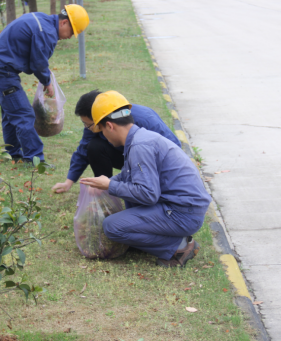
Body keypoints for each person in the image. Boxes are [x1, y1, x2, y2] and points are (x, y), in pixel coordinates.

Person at [80, 91, 212, 267]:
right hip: (182, 208)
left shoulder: (139, 146)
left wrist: (111, 185)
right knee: (128, 203)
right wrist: (106, 182)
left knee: (112, 226)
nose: (103, 136)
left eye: (102, 130)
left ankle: (178, 247)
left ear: (110, 126)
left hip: (183, 214)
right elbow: (130, 175)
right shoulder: (139, 137)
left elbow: (148, 194)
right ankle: (164, 238)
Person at [0, 5, 89, 163]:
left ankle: (13, 153)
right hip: (1, 71)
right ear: (64, 22)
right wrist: (47, 82)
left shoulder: (42, 20)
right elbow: (38, 64)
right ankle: (34, 159)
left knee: (11, 113)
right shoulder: (46, 32)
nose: (70, 36)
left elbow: (37, 58)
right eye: (72, 32)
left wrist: (45, 76)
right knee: (24, 115)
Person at [51, 90, 181, 193]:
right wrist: (68, 182)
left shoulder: (145, 119)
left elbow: (173, 148)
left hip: (150, 162)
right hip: (126, 159)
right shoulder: (94, 126)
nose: (88, 129)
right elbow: (83, 149)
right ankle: (104, 189)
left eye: (89, 125)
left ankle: (145, 188)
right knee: (94, 146)